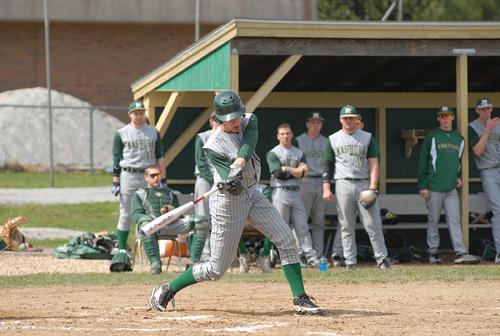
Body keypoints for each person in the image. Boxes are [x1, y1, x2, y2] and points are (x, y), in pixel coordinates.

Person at [149, 90, 322, 316]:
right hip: (228, 202)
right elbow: (234, 186)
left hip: (253, 193)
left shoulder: (249, 120)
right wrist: (231, 184)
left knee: (286, 239)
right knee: (216, 269)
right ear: (219, 120)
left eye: (237, 116)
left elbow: (249, 143)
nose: (236, 122)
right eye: (230, 119)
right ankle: (167, 289)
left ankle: (300, 299)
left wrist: (239, 164)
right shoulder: (213, 146)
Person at [322, 105, 390, 271]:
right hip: (343, 182)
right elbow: (327, 165)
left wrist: (373, 186)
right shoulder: (333, 139)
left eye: (352, 118)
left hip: (364, 183)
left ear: (357, 119)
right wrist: (326, 188)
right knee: (346, 225)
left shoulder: (367, 137)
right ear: (340, 120)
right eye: (346, 118)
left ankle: (382, 259)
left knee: (373, 224)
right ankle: (350, 262)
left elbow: (374, 162)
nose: (349, 121)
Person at [417, 106, 480, 265]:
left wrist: (457, 177)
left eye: (448, 115)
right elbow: (422, 163)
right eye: (442, 116)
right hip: (433, 187)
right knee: (434, 220)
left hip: (451, 187)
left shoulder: (459, 139)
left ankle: (461, 252)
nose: (445, 119)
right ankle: (433, 252)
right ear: (439, 118)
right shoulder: (432, 137)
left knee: (454, 220)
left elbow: (456, 163)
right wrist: (422, 185)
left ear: (452, 117)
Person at [110, 100, 167, 272]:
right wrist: (115, 180)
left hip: (149, 173)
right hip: (128, 173)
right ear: (130, 115)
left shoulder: (153, 132)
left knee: (151, 212)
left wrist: (163, 178)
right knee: (126, 212)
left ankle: (150, 252)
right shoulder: (122, 133)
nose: (139, 115)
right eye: (135, 112)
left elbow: (161, 156)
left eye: (141, 112)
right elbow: (116, 157)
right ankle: (121, 248)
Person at [131, 165, 209, 274]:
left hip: (170, 225)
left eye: (158, 175)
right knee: (145, 222)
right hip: (151, 227)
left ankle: (193, 263)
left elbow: (179, 214)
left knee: (201, 221)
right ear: (146, 177)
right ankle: (155, 264)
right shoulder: (139, 194)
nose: (156, 178)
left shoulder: (170, 193)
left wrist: (172, 212)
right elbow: (136, 214)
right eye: (152, 175)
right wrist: (149, 219)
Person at [267, 123, 320, 267]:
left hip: (296, 192)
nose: (285, 136)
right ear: (278, 136)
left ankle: (310, 257)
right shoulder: (273, 153)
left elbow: (305, 172)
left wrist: (287, 168)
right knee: (281, 227)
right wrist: (296, 171)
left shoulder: (298, 152)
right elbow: (278, 174)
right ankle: (281, 256)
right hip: (280, 192)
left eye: (288, 133)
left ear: (292, 135)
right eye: (282, 134)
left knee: (302, 226)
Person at [294, 112, 343, 265]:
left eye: (319, 123)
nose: (316, 125)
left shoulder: (327, 141)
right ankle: (301, 253)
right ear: (308, 124)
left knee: (319, 222)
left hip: (321, 182)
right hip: (304, 182)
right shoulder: (298, 140)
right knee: (301, 221)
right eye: (313, 122)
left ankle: (318, 254)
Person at [469, 98, 500, 264]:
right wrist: (487, 130)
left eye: (489, 108)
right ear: (477, 111)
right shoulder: (473, 127)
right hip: (488, 170)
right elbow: (478, 151)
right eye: (483, 109)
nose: (487, 112)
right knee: (498, 210)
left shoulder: (498, 123)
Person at [194, 112, 219, 260]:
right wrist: (213, 178)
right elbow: (200, 162)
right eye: (215, 119)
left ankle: (217, 253)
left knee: (218, 218)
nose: (218, 122)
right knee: (203, 218)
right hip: (205, 180)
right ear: (211, 121)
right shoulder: (202, 136)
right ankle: (204, 253)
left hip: (220, 182)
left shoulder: (227, 137)